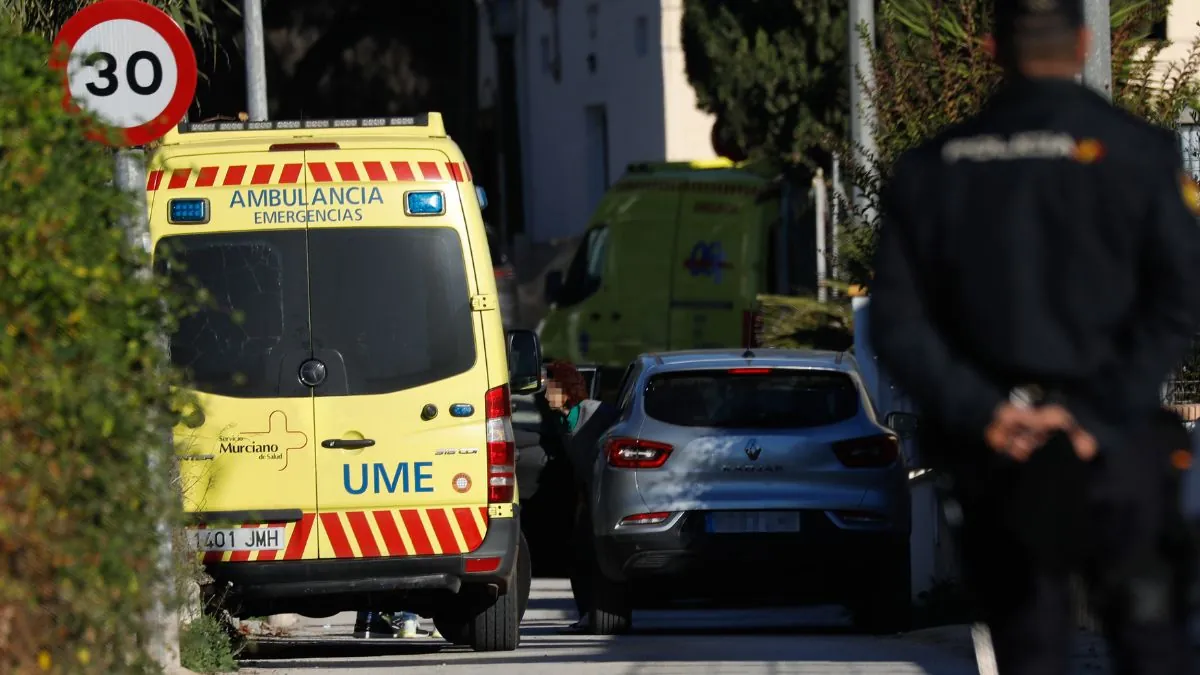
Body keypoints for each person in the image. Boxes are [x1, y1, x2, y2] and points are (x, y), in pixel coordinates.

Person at [867, 0, 1200, 672]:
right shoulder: (1139, 153)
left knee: (1029, 648)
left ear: (990, 50)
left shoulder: (934, 168)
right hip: (1116, 448)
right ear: (1083, 45)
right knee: (1150, 642)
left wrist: (985, 410)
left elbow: (897, 321)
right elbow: (1181, 296)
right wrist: (1098, 409)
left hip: (999, 457)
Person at [542, 360, 618, 634]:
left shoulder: (596, 412)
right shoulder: (559, 420)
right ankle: (586, 612)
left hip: (604, 494)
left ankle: (599, 611)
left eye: (551, 388)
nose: (545, 393)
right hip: (585, 494)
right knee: (578, 554)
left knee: (594, 554)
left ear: (567, 389)